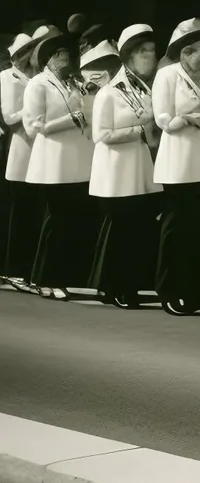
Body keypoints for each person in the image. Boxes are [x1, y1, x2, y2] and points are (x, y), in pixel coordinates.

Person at [88, 25, 162, 308]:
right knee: (120, 232)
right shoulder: (109, 92)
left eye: (153, 51)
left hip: (140, 170)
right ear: (129, 56)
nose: (150, 56)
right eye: (144, 51)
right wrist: (138, 132)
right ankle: (115, 286)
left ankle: (125, 284)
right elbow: (101, 135)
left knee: (135, 231)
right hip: (116, 173)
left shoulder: (143, 87)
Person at [24, 25, 95, 300]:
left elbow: (86, 113)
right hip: (52, 164)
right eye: (63, 53)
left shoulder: (72, 83)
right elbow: (33, 126)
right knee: (54, 221)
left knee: (70, 222)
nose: (69, 58)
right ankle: (43, 278)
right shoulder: (38, 84)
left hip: (75, 162)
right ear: (51, 57)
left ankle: (66, 276)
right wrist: (70, 119)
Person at [153, 18, 200, 315]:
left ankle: (192, 287)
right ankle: (169, 288)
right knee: (175, 226)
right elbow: (162, 118)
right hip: (178, 159)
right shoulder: (167, 76)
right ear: (189, 50)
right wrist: (191, 118)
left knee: (197, 227)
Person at [2, 33, 38, 290]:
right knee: (21, 214)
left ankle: (29, 269)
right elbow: (10, 117)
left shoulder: (34, 78)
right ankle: (14, 269)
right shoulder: (7, 77)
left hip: (37, 152)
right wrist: (36, 109)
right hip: (21, 148)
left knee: (31, 213)